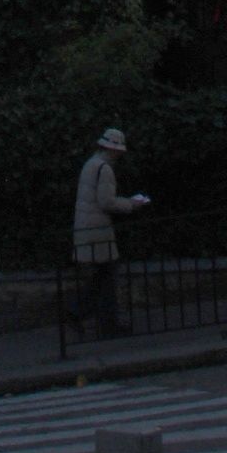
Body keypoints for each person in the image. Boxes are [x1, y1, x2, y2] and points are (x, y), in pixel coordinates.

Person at [73, 128, 149, 336]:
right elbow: (106, 202)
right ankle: (107, 323)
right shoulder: (104, 169)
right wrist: (132, 204)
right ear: (114, 149)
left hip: (86, 230)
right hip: (99, 232)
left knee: (98, 277)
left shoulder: (91, 163)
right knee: (106, 278)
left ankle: (82, 314)